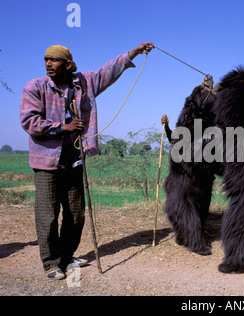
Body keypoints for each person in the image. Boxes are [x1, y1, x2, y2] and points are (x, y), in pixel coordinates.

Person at [20, 42, 154, 280]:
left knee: (75, 213)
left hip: (74, 159)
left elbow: (108, 71)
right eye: (46, 59)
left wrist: (133, 52)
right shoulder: (36, 87)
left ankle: (66, 256)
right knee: (47, 215)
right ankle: (51, 263)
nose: (48, 64)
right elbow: (29, 122)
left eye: (54, 60)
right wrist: (63, 127)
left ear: (68, 64)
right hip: (46, 162)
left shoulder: (84, 82)